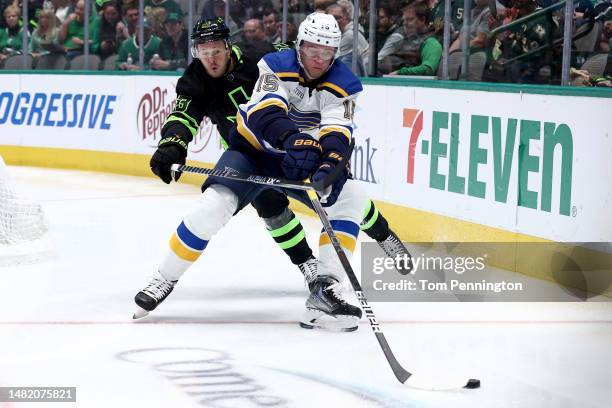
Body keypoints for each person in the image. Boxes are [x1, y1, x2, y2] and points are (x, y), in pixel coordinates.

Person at [134, 16, 411, 331]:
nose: (318, 59)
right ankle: (163, 278)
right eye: (311, 49)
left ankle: (328, 286)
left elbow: (339, 128)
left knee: (351, 197)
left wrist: (331, 162)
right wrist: (172, 143)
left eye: (326, 51)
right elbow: (266, 110)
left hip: (304, 156)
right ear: (299, 46)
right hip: (253, 151)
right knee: (216, 205)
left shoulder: (344, 82)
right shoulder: (272, 65)